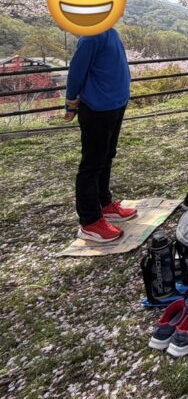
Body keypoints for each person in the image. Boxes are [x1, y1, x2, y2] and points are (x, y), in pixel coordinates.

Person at [64, 26, 134, 243]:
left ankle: (104, 203)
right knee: (92, 164)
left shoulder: (110, 31)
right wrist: (70, 103)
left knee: (107, 155)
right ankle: (90, 221)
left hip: (116, 104)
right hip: (97, 107)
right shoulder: (91, 36)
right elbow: (76, 71)